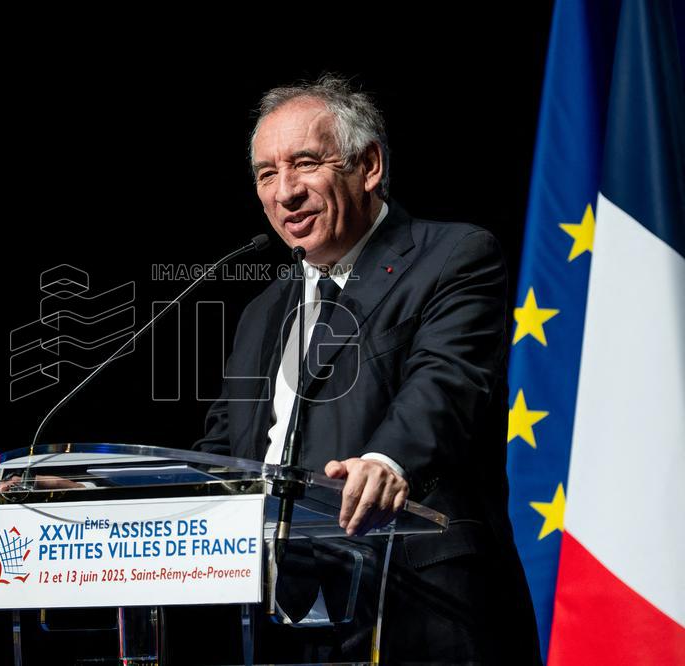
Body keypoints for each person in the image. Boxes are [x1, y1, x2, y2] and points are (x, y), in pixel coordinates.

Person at [192, 74, 542, 663]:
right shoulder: (262, 311)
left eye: (304, 164)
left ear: (369, 166)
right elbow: (223, 453)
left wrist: (386, 460)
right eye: (266, 174)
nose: (285, 192)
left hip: (420, 609)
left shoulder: (452, 256)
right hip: (285, 624)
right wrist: (96, 498)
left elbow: (446, 383)